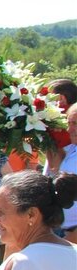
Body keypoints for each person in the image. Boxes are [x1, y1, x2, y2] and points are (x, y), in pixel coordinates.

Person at [44, 103, 77, 243]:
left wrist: (74, 235)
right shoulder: (67, 150)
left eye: (75, 123)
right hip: (56, 229)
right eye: (68, 123)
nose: (70, 129)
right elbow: (50, 181)